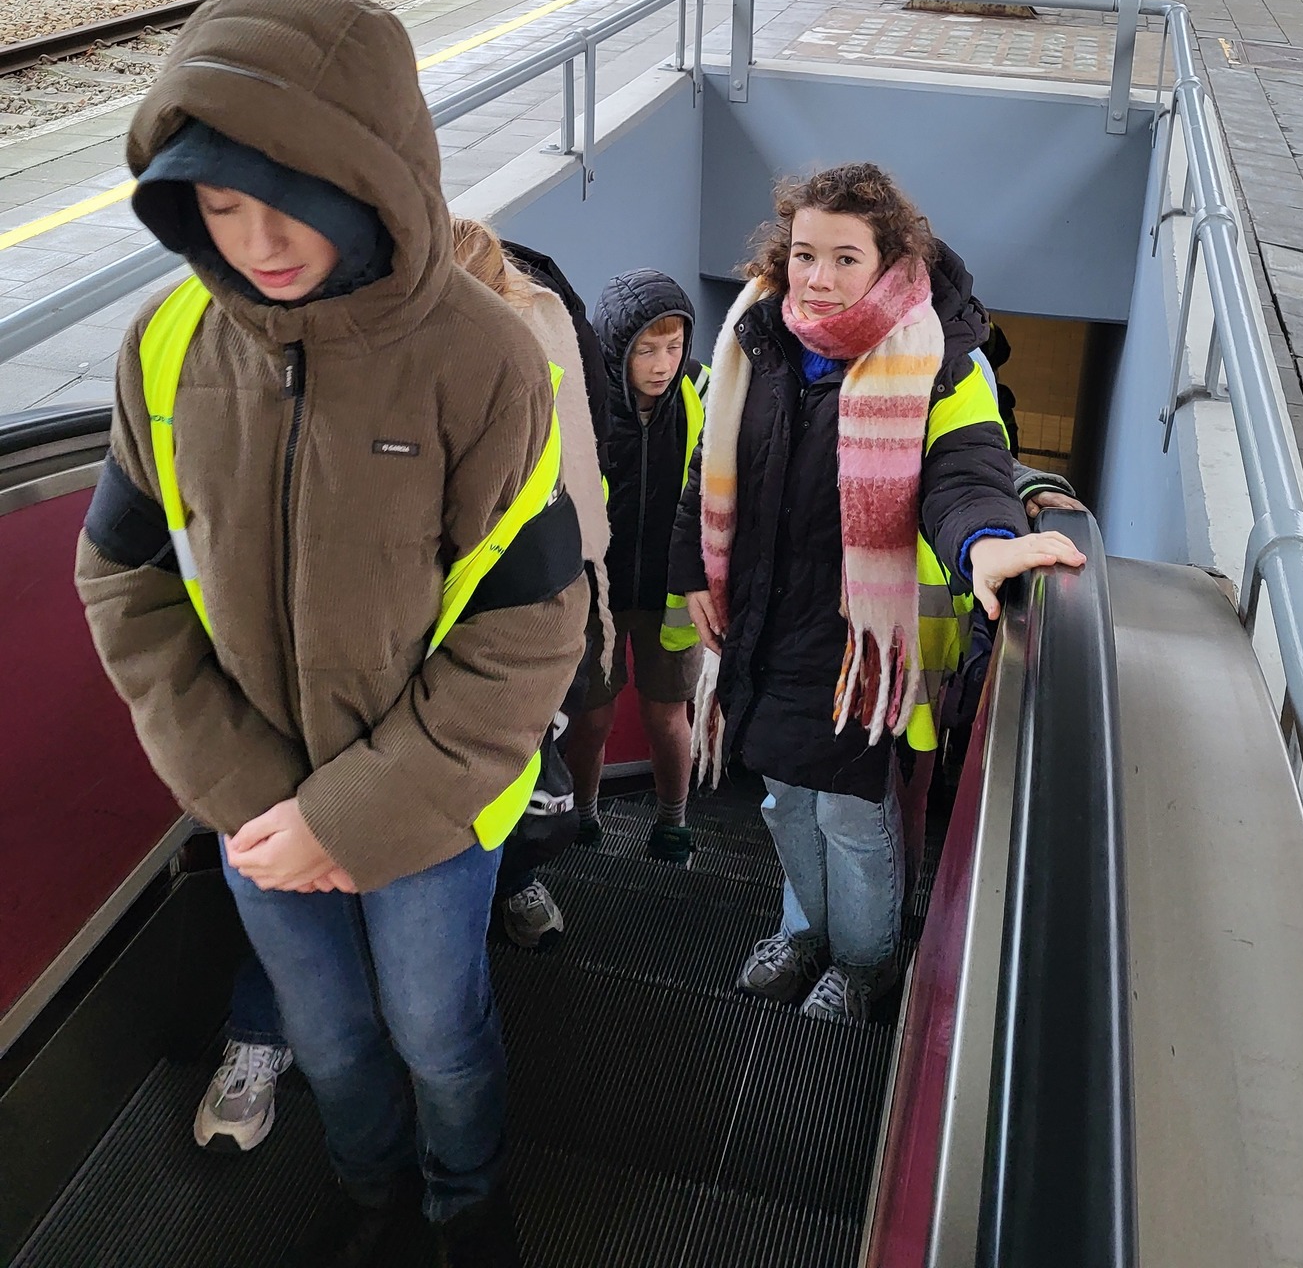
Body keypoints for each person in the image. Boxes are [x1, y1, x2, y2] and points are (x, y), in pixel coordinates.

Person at [76, 0, 589, 1268]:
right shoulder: (167, 346)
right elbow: (123, 578)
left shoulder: (485, 360)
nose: (256, 240)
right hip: (254, 805)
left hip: (437, 807)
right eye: (218, 202)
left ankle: (466, 1204)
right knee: (334, 1038)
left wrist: (352, 816)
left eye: (287, 193)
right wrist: (261, 801)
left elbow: (531, 626)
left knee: (437, 1032)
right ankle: (373, 1197)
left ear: (371, 170)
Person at [669, 163, 1085, 1023]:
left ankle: (865, 963)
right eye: (804, 254)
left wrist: (987, 544)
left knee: (853, 815)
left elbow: (965, 471)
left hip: (861, 640)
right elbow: (710, 466)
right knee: (785, 800)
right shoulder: (757, 334)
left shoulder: (939, 358)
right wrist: (691, 571)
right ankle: (805, 934)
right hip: (764, 622)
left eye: (845, 258)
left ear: (890, 258)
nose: (817, 278)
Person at [451, 216, 612, 948]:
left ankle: (511, 881)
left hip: (536, 584)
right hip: (435, 602)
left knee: (527, 764)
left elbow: (584, 461)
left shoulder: (545, 330)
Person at [570, 273, 707, 863]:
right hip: (595, 591)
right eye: (646, 350)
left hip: (671, 593)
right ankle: (582, 817)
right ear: (616, 349)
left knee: (667, 714)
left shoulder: (703, 393)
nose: (662, 364)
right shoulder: (582, 399)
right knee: (591, 716)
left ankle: (673, 822)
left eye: (674, 346)